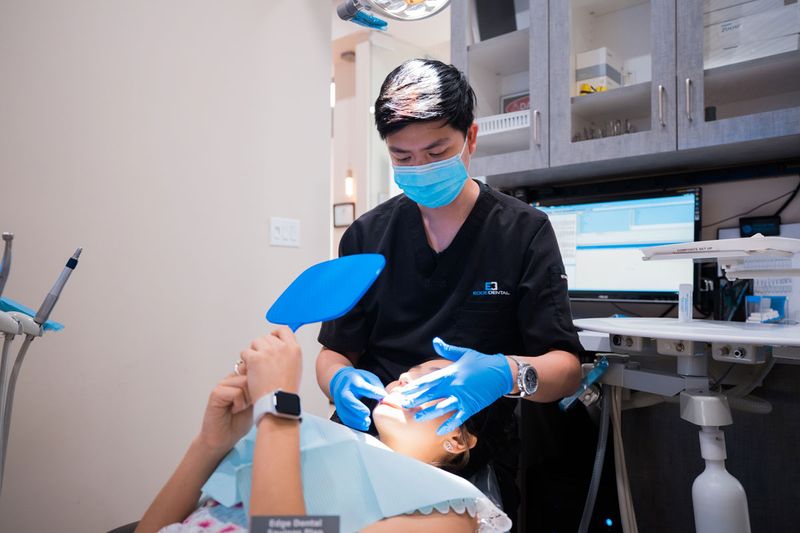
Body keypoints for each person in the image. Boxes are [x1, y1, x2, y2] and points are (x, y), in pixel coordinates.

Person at [315, 58, 585, 526]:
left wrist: (507, 374)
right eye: (402, 157)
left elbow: (566, 369)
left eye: (436, 151)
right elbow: (334, 352)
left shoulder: (523, 232)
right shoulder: (366, 236)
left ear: (470, 139)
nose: (420, 168)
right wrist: (338, 380)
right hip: (369, 446)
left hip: (467, 459)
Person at [135, 327, 514, 533]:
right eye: (407, 373)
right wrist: (210, 444)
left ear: (458, 438)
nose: (402, 378)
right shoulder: (328, 445)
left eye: (427, 380)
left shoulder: (448, 511)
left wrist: (277, 409)